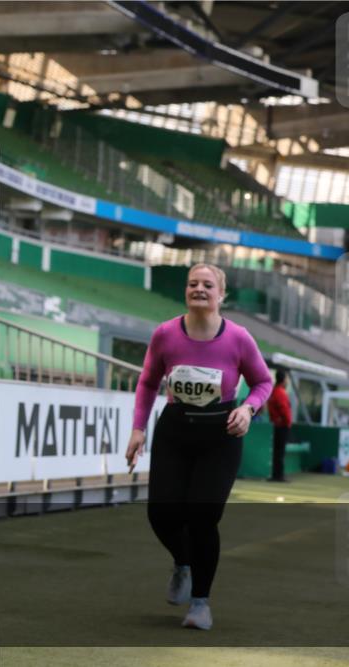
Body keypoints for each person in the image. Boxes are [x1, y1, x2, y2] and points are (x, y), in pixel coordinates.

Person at [125, 263, 273, 631]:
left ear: (221, 294)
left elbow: (262, 382)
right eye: (193, 284)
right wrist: (138, 429)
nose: (199, 289)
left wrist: (248, 409)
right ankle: (183, 564)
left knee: (203, 517)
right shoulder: (165, 334)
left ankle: (200, 603)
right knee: (161, 515)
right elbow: (148, 383)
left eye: (208, 285)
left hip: (220, 434)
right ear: (185, 291)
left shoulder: (238, 338)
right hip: (175, 430)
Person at [266, 369, 292, 482]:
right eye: (287, 378)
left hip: (276, 425)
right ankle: (278, 476)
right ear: (283, 379)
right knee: (280, 452)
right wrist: (288, 422)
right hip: (282, 426)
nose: (287, 381)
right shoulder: (280, 392)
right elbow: (284, 410)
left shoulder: (274, 391)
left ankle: (276, 475)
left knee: (277, 451)